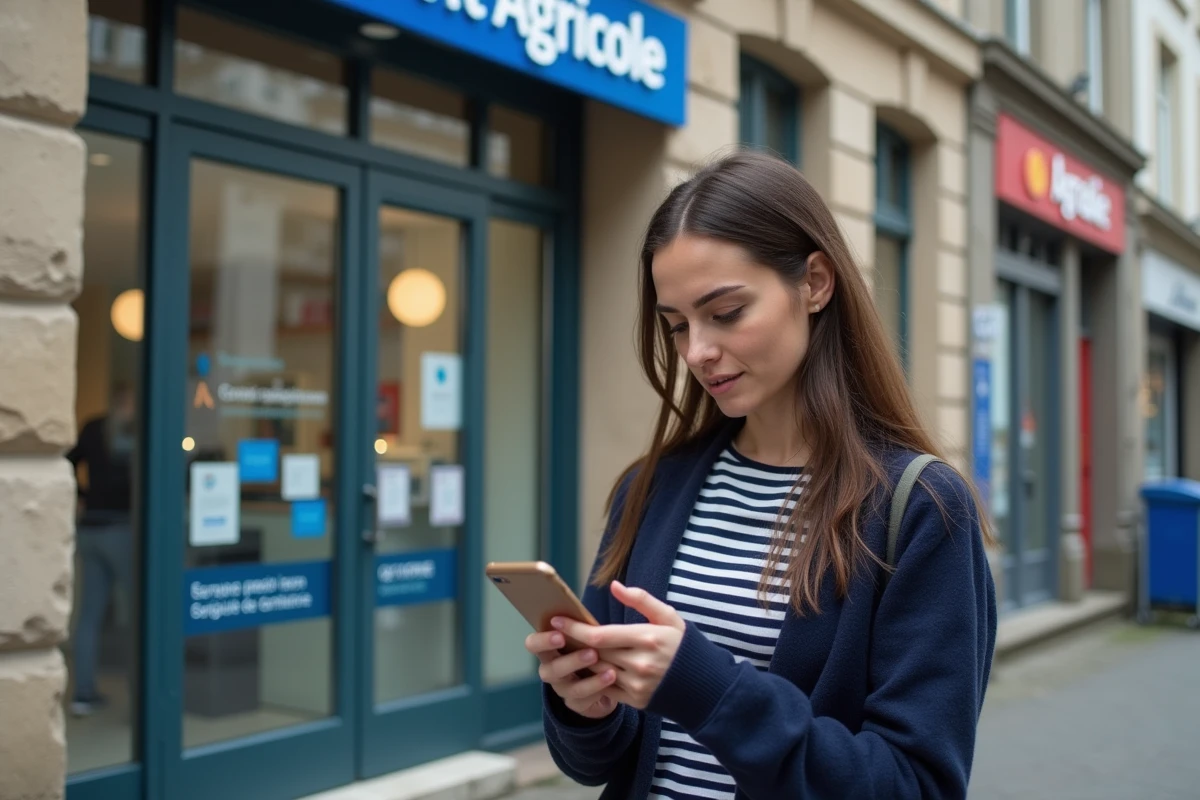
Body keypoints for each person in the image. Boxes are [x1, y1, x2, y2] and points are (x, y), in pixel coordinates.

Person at [527, 151, 997, 799]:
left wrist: (707, 688)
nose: (697, 351)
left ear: (815, 283)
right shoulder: (652, 487)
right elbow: (600, 763)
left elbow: (914, 784)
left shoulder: (920, 509)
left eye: (725, 313)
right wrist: (585, 706)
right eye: (677, 326)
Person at [67, 383, 136, 717]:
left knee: (89, 615)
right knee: (140, 615)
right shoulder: (136, 432)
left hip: (91, 528)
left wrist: (83, 495)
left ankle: (83, 693)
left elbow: (66, 461)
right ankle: (142, 700)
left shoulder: (93, 427)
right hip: (120, 530)